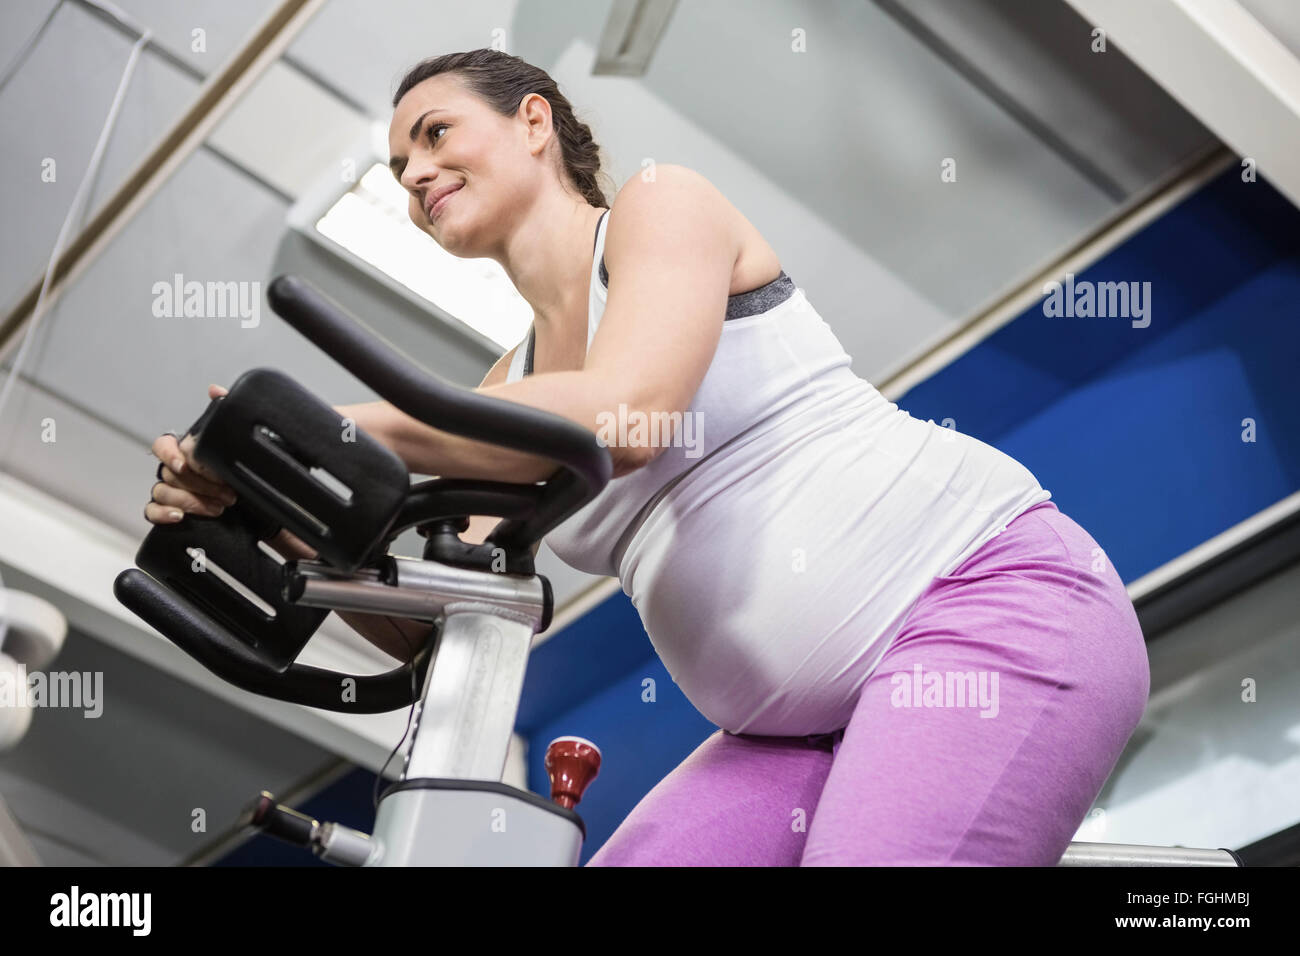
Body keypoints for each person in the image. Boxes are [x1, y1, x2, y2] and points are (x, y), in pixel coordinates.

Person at [143, 49, 1150, 865]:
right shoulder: (504, 387)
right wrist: (257, 503)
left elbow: (627, 415)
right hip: (783, 733)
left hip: (987, 606)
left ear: (533, 121)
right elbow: (433, 623)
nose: (412, 172)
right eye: (399, 162)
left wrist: (323, 424)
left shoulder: (660, 208)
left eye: (434, 134)